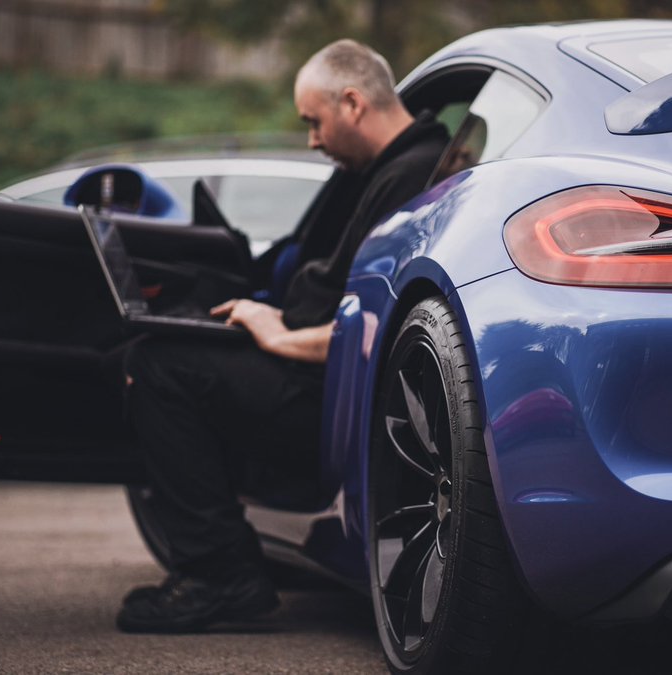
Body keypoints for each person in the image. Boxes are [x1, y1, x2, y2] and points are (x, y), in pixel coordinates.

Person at [115, 39, 450, 634]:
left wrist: (274, 333)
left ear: (351, 103)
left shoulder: (408, 180)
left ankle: (221, 573)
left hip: (324, 394)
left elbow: (369, 333)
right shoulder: (393, 167)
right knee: (164, 344)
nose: (312, 140)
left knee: (160, 365)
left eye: (313, 122)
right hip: (311, 373)